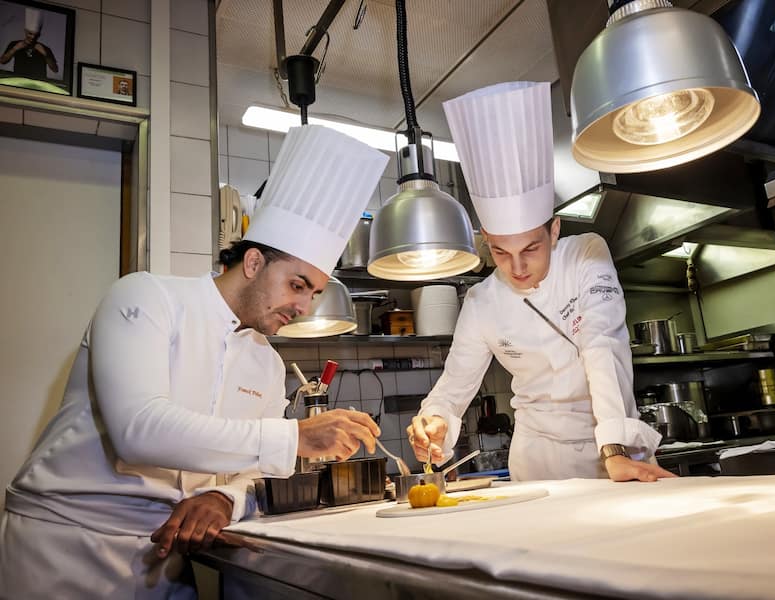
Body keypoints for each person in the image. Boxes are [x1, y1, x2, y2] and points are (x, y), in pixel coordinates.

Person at [0, 124, 389, 598]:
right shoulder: (146, 297)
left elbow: (256, 470)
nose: (304, 307)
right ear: (252, 263)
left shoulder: (266, 363)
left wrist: (223, 496)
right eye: (297, 285)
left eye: (314, 293)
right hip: (63, 548)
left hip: (166, 558)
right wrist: (297, 435)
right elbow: (138, 430)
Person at [406, 82, 675, 483]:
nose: (516, 268)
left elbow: (602, 344)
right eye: (499, 252)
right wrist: (434, 421)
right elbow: (454, 384)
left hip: (614, 445)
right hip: (537, 459)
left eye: (530, 248)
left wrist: (615, 448)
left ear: (554, 231)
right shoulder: (482, 302)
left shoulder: (586, 253)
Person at [0, 8, 58, 79]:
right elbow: (2, 61)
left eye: (36, 35)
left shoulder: (45, 48)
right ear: (25, 31)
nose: (33, 37)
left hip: (38, 84)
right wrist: (14, 49)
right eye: (30, 34)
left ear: (39, 35)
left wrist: (45, 54)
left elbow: (55, 69)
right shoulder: (14, 44)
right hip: (18, 82)